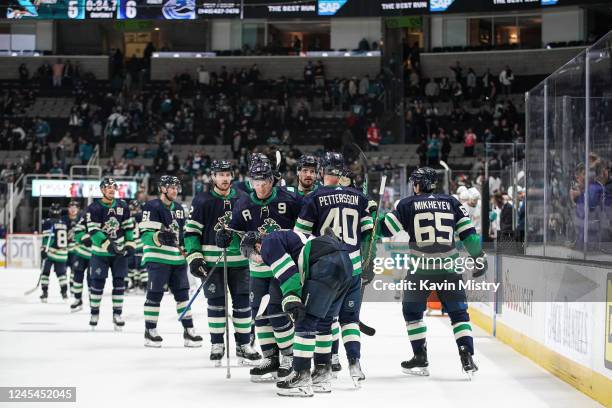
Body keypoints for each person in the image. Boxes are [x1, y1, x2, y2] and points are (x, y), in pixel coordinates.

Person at [379, 167, 486, 377]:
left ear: (417, 184)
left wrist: (376, 215)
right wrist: (478, 257)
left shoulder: (407, 203)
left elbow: (385, 229)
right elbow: (469, 235)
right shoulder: (452, 202)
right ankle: (467, 357)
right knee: (458, 314)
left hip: (420, 269)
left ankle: (420, 357)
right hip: (450, 268)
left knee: (412, 312)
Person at [240, 229, 353, 397]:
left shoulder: (269, 242)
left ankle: (301, 376)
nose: (254, 258)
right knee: (324, 322)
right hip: (345, 262)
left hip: (325, 264)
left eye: (249, 253)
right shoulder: (287, 235)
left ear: (257, 245)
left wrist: (291, 298)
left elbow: (287, 273)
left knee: (305, 322)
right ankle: (322, 374)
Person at [293, 152, 374, 385]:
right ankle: (355, 363)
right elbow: (369, 234)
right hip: (353, 268)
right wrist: (367, 264)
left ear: (322, 173)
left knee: (323, 320)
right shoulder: (359, 197)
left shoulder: (315, 197)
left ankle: (323, 369)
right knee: (350, 319)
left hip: (327, 268)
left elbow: (300, 235)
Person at [217, 160, 302, 381]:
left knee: (276, 311)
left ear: (272, 180)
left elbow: (303, 230)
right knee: (260, 314)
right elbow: (236, 237)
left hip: (282, 269)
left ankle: (289, 357)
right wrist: (226, 237)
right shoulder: (243, 203)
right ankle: (271, 357)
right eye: (255, 181)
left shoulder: (289, 199)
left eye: (264, 181)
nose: (260, 186)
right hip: (256, 269)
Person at [185, 160, 261, 364]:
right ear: (213, 177)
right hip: (212, 263)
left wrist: (242, 238)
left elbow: (251, 229)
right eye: (220, 175)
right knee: (216, 304)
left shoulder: (244, 199)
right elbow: (192, 232)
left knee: (243, 304)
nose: (225, 178)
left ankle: (244, 344)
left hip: (241, 262)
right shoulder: (202, 200)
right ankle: (217, 343)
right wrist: (195, 257)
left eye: (228, 174)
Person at [139, 176, 203, 348]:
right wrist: (158, 236)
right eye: (171, 187)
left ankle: (189, 331)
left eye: (176, 187)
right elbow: (145, 235)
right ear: (162, 189)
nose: (175, 190)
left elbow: (183, 235)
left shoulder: (180, 209)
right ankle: (150, 330)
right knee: (155, 294)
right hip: (157, 258)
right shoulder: (151, 206)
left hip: (177, 259)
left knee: (183, 295)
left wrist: (188, 252)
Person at [86, 177, 135, 330]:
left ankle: (117, 314)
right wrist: (107, 244)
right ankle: (94, 313)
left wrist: (129, 244)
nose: (111, 189)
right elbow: (93, 231)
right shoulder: (94, 207)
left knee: (119, 283)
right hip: (100, 253)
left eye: (114, 187)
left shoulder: (122, 206)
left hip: (118, 253)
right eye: (108, 187)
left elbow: (128, 228)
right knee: (97, 283)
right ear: (102, 190)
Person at [40, 203, 69, 302]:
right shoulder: (64, 223)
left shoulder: (48, 222)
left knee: (45, 273)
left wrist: (44, 249)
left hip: (51, 252)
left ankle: (44, 293)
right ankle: (64, 293)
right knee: (61, 275)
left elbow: (48, 237)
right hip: (63, 253)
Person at [65, 201, 90, 311]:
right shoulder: (82, 219)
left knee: (93, 279)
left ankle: (92, 300)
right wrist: (83, 237)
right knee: (77, 276)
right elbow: (78, 232)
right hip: (80, 253)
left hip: (94, 255)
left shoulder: (101, 220)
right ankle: (77, 299)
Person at [127, 200, 146, 292]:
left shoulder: (128, 217)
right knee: (140, 266)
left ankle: (134, 283)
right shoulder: (141, 217)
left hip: (132, 244)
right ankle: (142, 284)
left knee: (131, 266)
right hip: (140, 243)